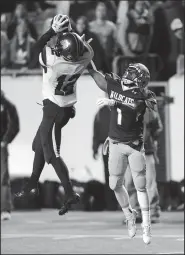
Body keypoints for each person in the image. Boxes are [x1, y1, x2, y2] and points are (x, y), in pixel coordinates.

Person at [15, 14, 94, 216]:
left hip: (54, 110)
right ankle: (32, 183)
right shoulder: (86, 55)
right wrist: (76, 41)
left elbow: (36, 48)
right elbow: (80, 48)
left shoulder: (52, 62)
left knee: (52, 155)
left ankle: (69, 193)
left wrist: (52, 31)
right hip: (65, 108)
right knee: (37, 146)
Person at [87, 61, 158, 244]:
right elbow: (99, 79)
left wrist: (113, 101)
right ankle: (129, 215)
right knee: (114, 184)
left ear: (140, 79)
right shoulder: (116, 86)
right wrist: (88, 62)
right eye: (129, 71)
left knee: (141, 185)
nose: (128, 75)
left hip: (134, 145)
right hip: (116, 144)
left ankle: (147, 226)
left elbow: (136, 104)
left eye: (133, 73)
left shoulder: (143, 95)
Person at [124, 106, 163, 223]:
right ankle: (134, 212)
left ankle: (152, 212)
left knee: (149, 183)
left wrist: (151, 139)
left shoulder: (148, 107)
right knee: (129, 182)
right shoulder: (121, 107)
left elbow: (158, 127)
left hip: (147, 149)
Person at [93, 98, 118, 211]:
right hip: (111, 146)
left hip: (113, 146)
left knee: (113, 175)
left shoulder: (102, 112)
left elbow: (96, 131)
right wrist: (94, 148)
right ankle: (114, 204)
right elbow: (96, 130)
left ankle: (115, 204)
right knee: (113, 175)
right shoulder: (103, 112)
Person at [1, 91, 20, 221]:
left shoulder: (8, 106)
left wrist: (5, 141)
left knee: (2, 178)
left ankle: (4, 209)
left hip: (1, 146)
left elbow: (14, 125)